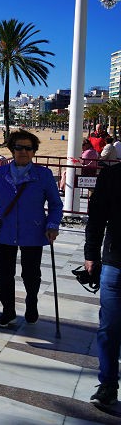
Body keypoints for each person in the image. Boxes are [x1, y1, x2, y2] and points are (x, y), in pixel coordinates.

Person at [0, 129, 63, 328]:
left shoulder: (44, 175)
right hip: (5, 231)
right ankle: (8, 311)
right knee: (5, 273)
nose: (23, 151)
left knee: (31, 274)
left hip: (34, 231)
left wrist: (52, 225)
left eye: (28, 148)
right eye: (19, 147)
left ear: (34, 151)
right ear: (12, 150)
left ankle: (32, 303)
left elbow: (56, 204)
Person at [83, 161, 121, 408]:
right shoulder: (112, 175)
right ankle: (107, 384)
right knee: (109, 329)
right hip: (115, 263)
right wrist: (91, 254)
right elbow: (96, 216)